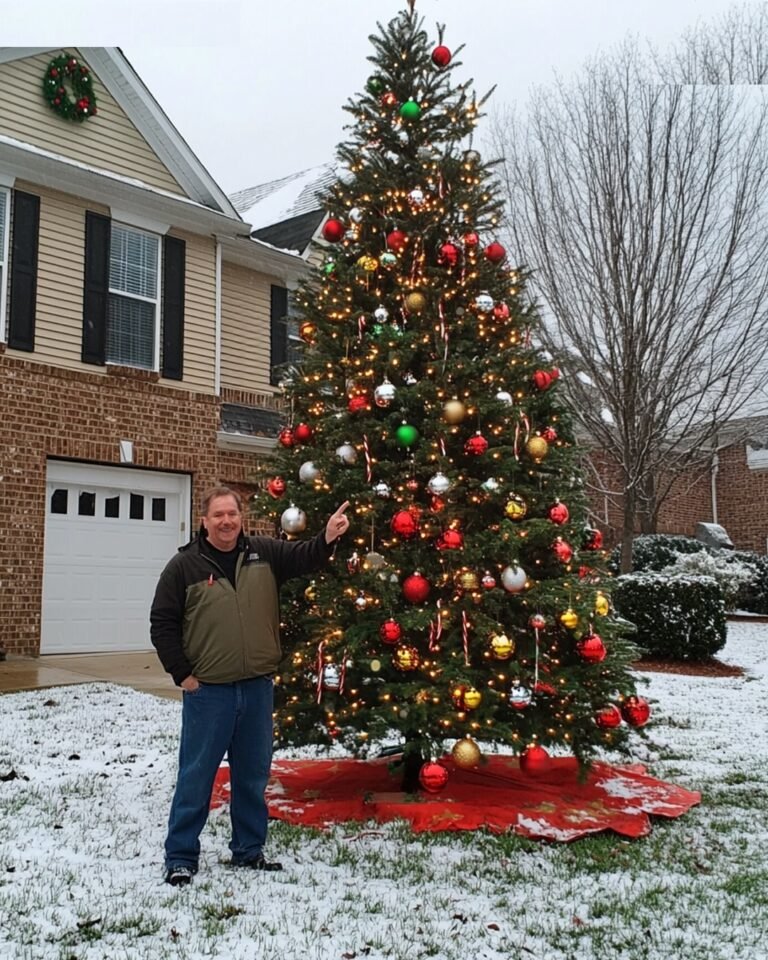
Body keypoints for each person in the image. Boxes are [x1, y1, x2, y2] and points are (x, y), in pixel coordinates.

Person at [150, 485, 350, 886]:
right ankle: (181, 856)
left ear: (242, 517)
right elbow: (162, 623)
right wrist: (183, 675)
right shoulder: (184, 566)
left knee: (251, 776)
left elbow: (305, 556)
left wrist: (327, 536)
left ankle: (248, 850)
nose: (226, 521)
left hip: (257, 688)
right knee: (196, 776)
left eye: (233, 514)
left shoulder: (264, 553)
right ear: (204, 520)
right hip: (209, 692)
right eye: (218, 515)